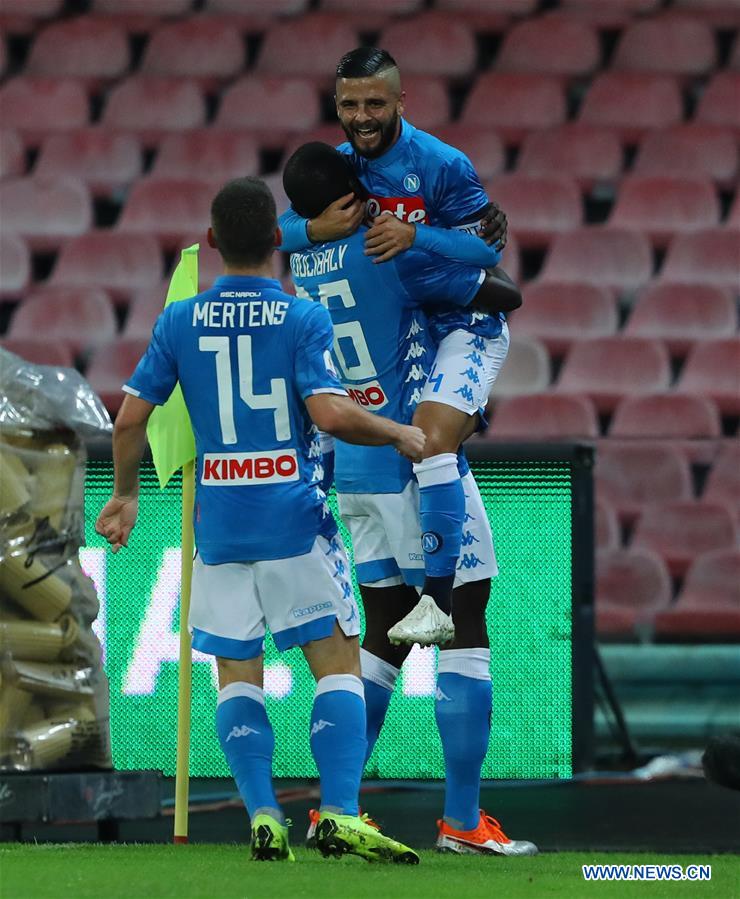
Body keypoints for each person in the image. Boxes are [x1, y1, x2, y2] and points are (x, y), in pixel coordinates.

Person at [95, 177, 424, 864]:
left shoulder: (179, 321)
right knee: (337, 664)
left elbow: (129, 420)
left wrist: (126, 494)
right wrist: (398, 431)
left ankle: (264, 815)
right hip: (294, 519)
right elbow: (329, 413)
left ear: (212, 241)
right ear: (278, 238)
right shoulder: (303, 317)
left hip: (218, 526)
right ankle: (339, 811)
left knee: (238, 674)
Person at [284, 143, 537, 857]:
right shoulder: (388, 253)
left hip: (354, 466)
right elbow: (501, 292)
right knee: (465, 615)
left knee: (380, 629)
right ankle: (463, 821)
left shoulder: (302, 261)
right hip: (411, 457)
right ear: (351, 196)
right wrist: (437, 239)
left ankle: (335, 807)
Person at [280, 47, 512, 646]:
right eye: (349, 104)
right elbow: (270, 233)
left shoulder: (441, 163)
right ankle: (433, 604)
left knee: (429, 441)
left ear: (401, 101)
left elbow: (486, 252)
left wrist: (416, 235)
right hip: (407, 325)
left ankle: (437, 601)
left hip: (462, 321)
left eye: (374, 103)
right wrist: (315, 230)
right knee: (418, 448)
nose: (361, 117)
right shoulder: (336, 169)